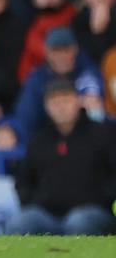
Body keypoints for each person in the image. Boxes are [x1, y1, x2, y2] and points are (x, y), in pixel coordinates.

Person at [7, 78, 116, 235]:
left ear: (79, 101)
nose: (61, 107)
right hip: (46, 213)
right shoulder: (38, 140)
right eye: (54, 102)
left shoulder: (104, 134)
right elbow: (23, 180)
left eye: (66, 99)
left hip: (94, 211)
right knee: (20, 223)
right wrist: (33, 202)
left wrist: (103, 199)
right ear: (46, 106)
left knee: (78, 222)